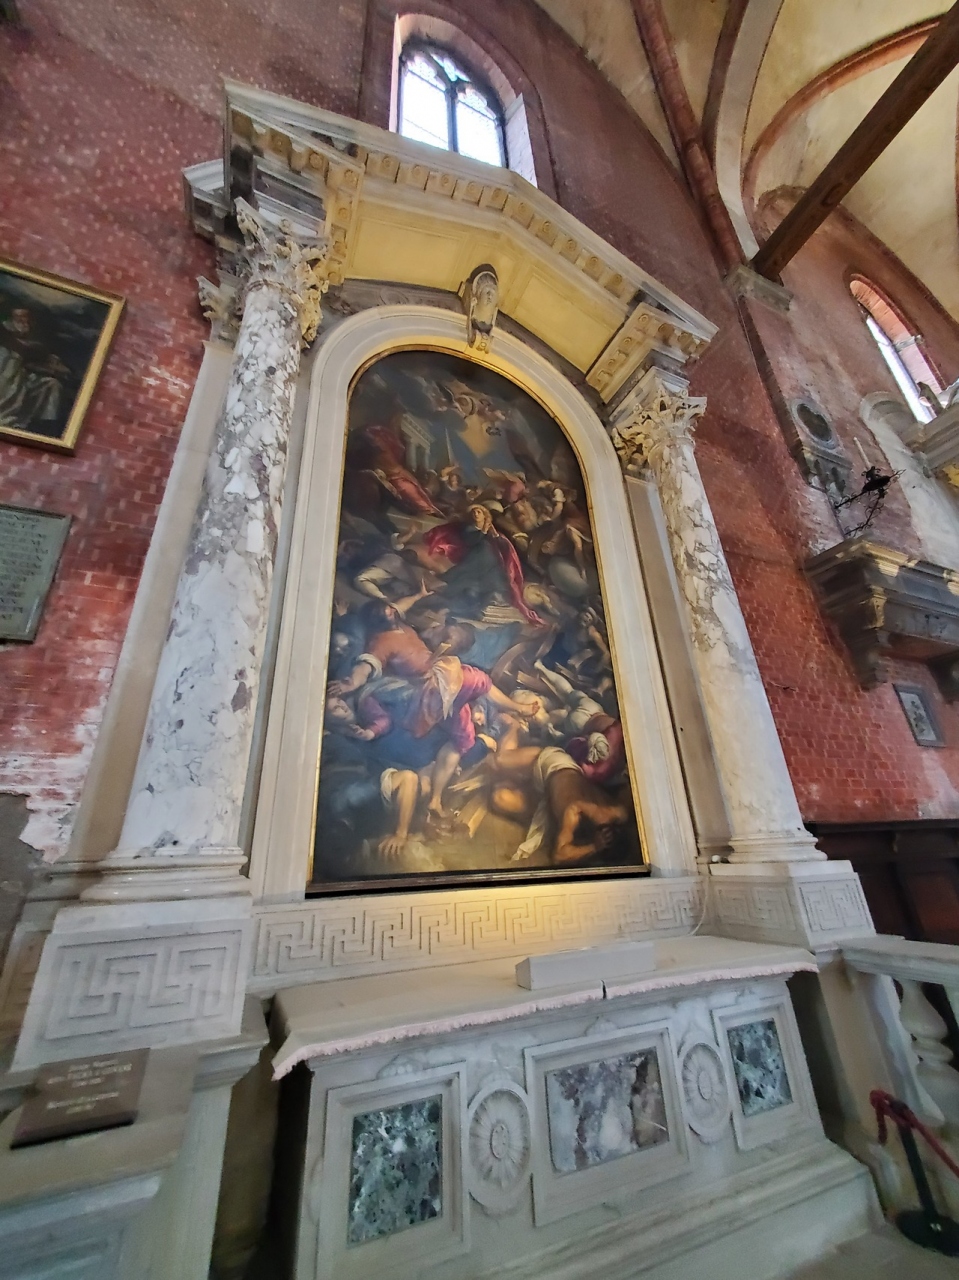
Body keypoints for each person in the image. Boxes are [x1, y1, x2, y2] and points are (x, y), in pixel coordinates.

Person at [0, 307, 68, 435]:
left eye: (26, 319)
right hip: (7, 377)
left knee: (51, 384)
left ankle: (45, 427)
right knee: (10, 367)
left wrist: (51, 369)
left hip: (24, 378)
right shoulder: (6, 338)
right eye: (19, 318)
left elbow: (37, 362)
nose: (23, 322)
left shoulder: (34, 345)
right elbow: (16, 347)